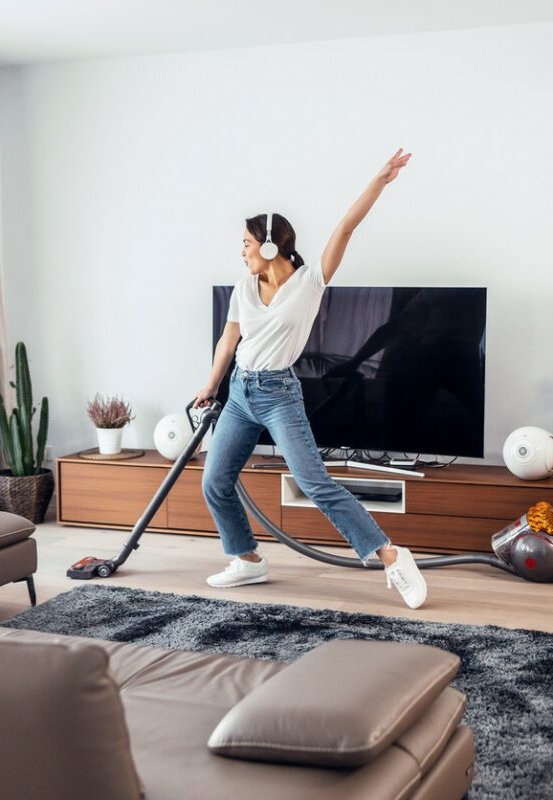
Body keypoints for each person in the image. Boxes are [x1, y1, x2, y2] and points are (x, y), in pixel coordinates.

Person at [192, 148, 428, 609]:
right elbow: (228, 341)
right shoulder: (243, 287)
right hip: (240, 391)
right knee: (215, 481)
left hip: (279, 394)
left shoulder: (310, 282)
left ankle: (392, 555)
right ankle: (247, 559)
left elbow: (345, 228)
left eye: (244, 243)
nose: (240, 253)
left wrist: (379, 180)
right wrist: (209, 384)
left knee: (314, 482)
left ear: (266, 245)